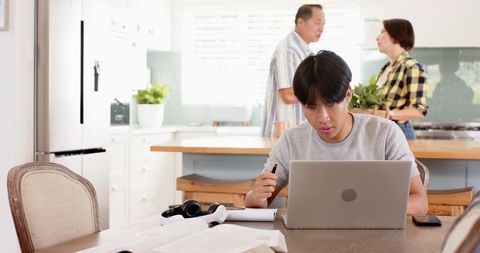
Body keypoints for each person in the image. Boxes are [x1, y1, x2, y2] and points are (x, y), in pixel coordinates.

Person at [246, 50, 428, 216]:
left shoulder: (386, 134)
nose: (323, 118)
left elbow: (419, 202)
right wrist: (255, 197)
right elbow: (257, 202)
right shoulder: (291, 141)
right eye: (311, 107)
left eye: (331, 104)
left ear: (348, 95)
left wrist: (369, 210)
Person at [261, 4, 325, 137]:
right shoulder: (288, 50)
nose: (322, 28)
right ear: (300, 22)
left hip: (294, 133)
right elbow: (288, 95)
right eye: (317, 23)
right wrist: (323, 91)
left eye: (323, 24)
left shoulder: (304, 51)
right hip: (282, 132)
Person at [375, 19, 428, 140]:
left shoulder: (411, 67)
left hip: (399, 131)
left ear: (396, 36)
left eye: (383, 32)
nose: (377, 37)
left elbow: (419, 109)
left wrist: (390, 114)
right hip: (383, 130)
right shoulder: (385, 68)